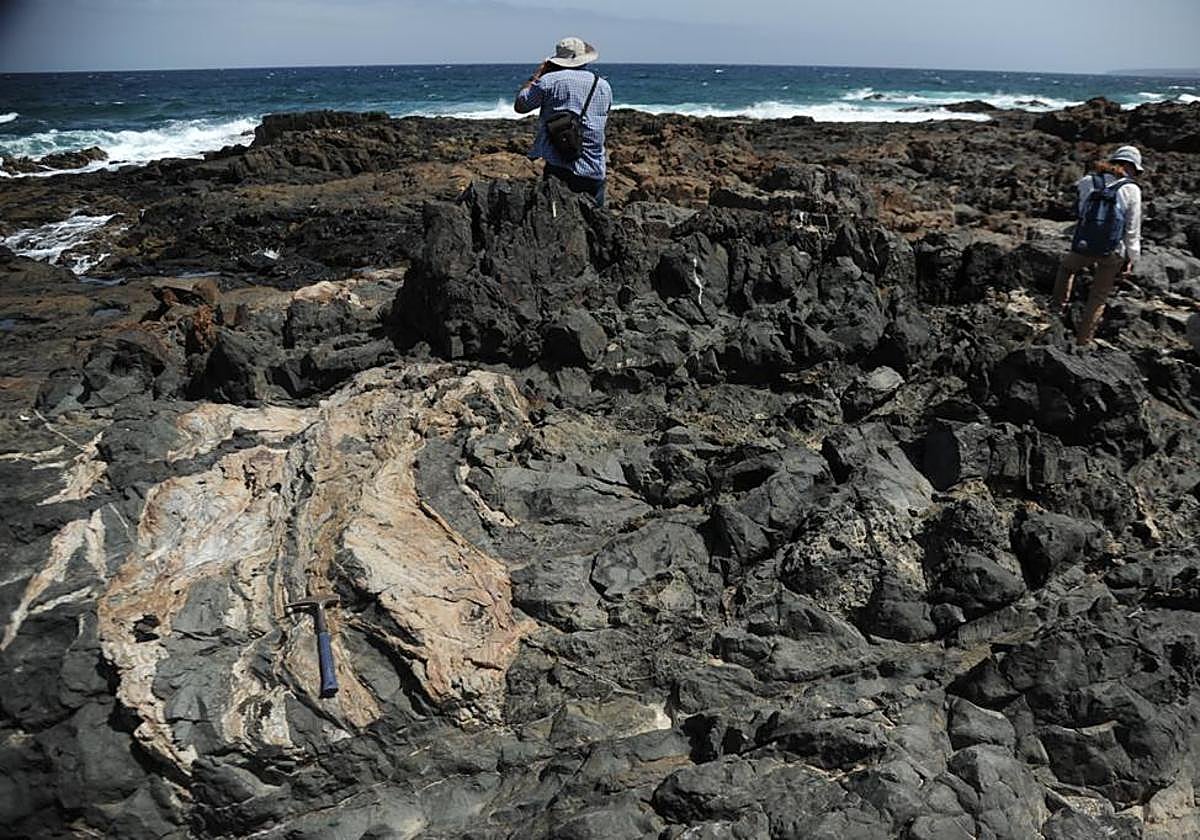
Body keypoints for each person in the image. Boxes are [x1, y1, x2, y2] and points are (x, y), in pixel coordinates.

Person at [1051, 145, 1144, 345]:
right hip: (1112, 251)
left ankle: (1056, 315)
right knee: (1098, 296)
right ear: (1133, 168)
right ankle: (1084, 341)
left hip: (1085, 244)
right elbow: (1132, 230)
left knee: (1067, 268)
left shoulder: (1087, 181)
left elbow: (1082, 214)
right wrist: (1132, 259)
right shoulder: (1131, 189)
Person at [514, 37, 613, 207]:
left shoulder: (549, 82)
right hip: (595, 167)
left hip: (560, 166)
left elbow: (521, 105)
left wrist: (538, 74)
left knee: (558, 222)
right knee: (596, 223)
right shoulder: (602, 85)